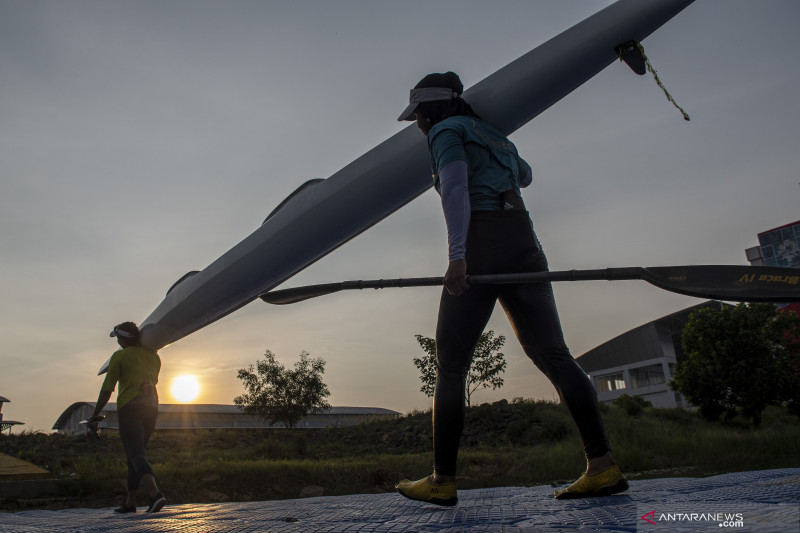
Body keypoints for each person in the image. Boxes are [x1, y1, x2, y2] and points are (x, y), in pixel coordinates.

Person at [394, 72, 628, 505]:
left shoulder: (445, 131)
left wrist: (458, 255)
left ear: (430, 111)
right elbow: (525, 175)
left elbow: (456, 188)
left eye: (419, 117)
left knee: (450, 364)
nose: (419, 126)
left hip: (482, 244)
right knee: (554, 354)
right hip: (525, 243)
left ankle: (442, 479)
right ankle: (603, 467)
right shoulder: (497, 136)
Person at [89, 321, 167, 514]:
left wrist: (95, 413)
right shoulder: (154, 358)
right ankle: (130, 503)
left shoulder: (120, 356)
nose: (117, 342)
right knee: (135, 454)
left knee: (135, 454)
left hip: (130, 408)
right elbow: (154, 380)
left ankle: (155, 494)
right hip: (152, 408)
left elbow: (108, 388)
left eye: (118, 338)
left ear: (123, 339)